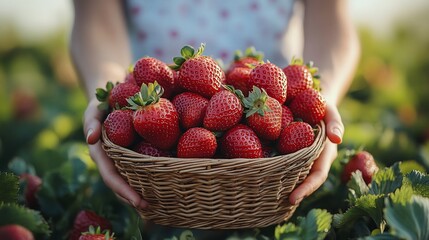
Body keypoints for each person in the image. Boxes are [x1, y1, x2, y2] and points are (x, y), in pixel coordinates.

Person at [70, 0, 360, 235]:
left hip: (269, 122)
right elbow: (95, 20)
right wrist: (108, 90)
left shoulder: (255, 101)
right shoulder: (165, 108)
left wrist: (322, 95)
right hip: (153, 122)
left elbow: (330, 19)